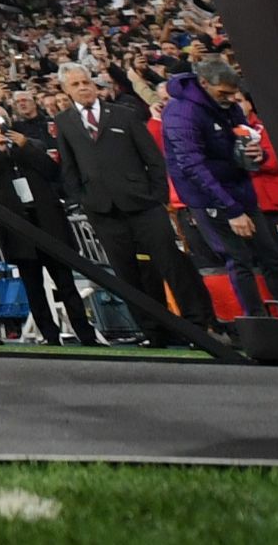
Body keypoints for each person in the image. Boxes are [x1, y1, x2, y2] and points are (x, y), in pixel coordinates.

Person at [53, 61, 212, 338]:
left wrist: (158, 196)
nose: (83, 88)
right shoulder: (64, 122)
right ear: (66, 90)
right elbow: (69, 166)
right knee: (127, 273)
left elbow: (153, 159)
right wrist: (83, 201)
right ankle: (152, 330)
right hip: (103, 211)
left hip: (144, 205)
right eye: (76, 85)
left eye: (86, 82)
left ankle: (197, 324)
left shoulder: (123, 115)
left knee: (171, 263)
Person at [161, 58, 278, 321]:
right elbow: (191, 165)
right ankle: (258, 323)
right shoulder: (182, 112)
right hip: (208, 196)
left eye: (234, 92)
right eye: (224, 92)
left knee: (272, 258)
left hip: (239, 187)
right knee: (239, 260)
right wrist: (231, 209)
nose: (232, 98)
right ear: (204, 83)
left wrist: (256, 156)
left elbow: (239, 143)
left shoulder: (228, 106)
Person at [0, 100, 91, 345]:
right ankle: (50, 336)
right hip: (17, 227)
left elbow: (52, 171)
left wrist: (24, 147)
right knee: (33, 287)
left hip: (47, 221)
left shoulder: (31, 142)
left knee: (66, 282)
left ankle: (84, 333)